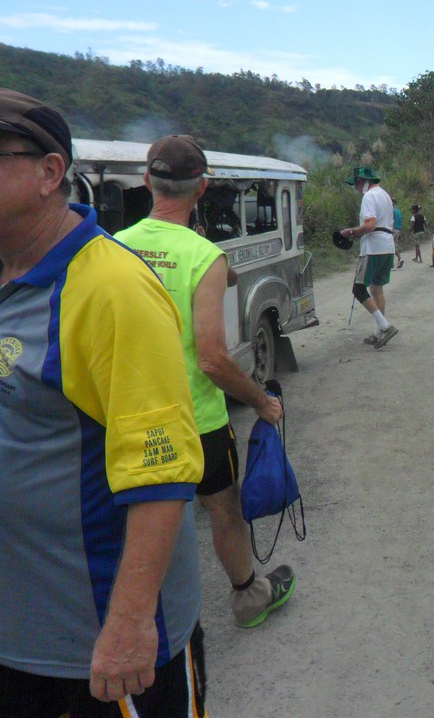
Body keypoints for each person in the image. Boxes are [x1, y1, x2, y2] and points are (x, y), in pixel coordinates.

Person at [0, 87, 207, 715]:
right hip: (10, 642)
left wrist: (129, 627)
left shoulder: (111, 289)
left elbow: (162, 474)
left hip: (99, 656)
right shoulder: (8, 266)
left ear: (49, 172)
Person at [115, 135, 296, 630]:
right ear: (202, 188)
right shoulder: (203, 256)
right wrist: (261, 401)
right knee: (223, 507)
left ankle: (138, 613)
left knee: (143, 516)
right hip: (198, 420)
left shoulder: (114, 248)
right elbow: (213, 359)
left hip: (131, 418)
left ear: (147, 181)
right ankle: (248, 597)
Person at [341, 166, 398, 348]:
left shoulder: (369, 196)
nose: (356, 188)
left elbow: (370, 225)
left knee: (358, 289)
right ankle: (378, 332)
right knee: (376, 289)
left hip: (373, 247)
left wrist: (351, 232)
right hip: (387, 246)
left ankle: (385, 326)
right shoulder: (385, 195)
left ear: (361, 182)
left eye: (356, 184)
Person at [391, 199, 404, 269]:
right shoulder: (398, 211)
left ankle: (391, 264)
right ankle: (400, 259)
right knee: (395, 246)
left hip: (392, 230)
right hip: (398, 230)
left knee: (390, 246)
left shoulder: (390, 211)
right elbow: (400, 222)